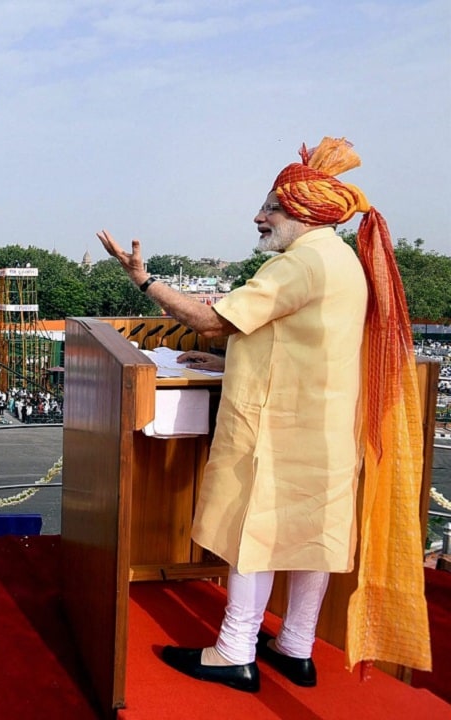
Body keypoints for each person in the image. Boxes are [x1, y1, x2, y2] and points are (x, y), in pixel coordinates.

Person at [98, 137, 429, 692]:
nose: (260, 216)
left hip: (277, 432)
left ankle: (233, 652)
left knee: (254, 531)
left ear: (302, 211)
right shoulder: (339, 260)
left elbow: (210, 320)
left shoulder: (299, 264)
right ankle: (296, 647)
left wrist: (144, 280)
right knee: (314, 537)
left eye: (271, 206)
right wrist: (226, 359)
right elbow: (296, 343)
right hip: (324, 431)